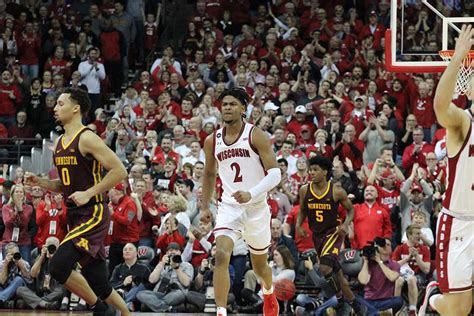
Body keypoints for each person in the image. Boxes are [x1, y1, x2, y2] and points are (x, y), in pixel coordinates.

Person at [24, 88, 130, 316]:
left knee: (58, 265)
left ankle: (100, 310)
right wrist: (41, 182)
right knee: (98, 281)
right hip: (75, 214)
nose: (55, 107)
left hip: (94, 213)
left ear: (76, 108)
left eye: (61, 104)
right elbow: (65, 185)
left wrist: (90, 192)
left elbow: (119, 171)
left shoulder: (88, 137)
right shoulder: (60, 143)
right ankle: (127, 314)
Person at [200, 88, 282, 316]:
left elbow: (275, 174)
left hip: (256, 207)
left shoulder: (255, 135)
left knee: (260, 266)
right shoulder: (212, 140)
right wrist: (205, 206)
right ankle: (221, 310)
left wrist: (252, 193)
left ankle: (268, 291)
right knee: (221, 254)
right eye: (224, 104)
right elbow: (208, 173)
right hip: (229, 206)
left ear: (243, 108)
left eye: (232, 104)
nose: (227, 107)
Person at [419, 25, 474, 316]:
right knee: (457, 311)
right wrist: (458, 58)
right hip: (460, 226)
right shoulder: (464, 122)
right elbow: (440, 107)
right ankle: (433, 298)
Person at [296, 156, 363, 315]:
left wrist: (346, 224)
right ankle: (357, 306)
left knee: (325, 268)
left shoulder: (337, 191)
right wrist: (298, 225)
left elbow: (351, 210)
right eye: (310, 169)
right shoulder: (304, 190)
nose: (311, 173)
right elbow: (303, 211)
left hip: (333, 233)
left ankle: (339, 300)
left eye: (315, 170)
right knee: (339, 278)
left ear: (325, 172)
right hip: (317, 236)